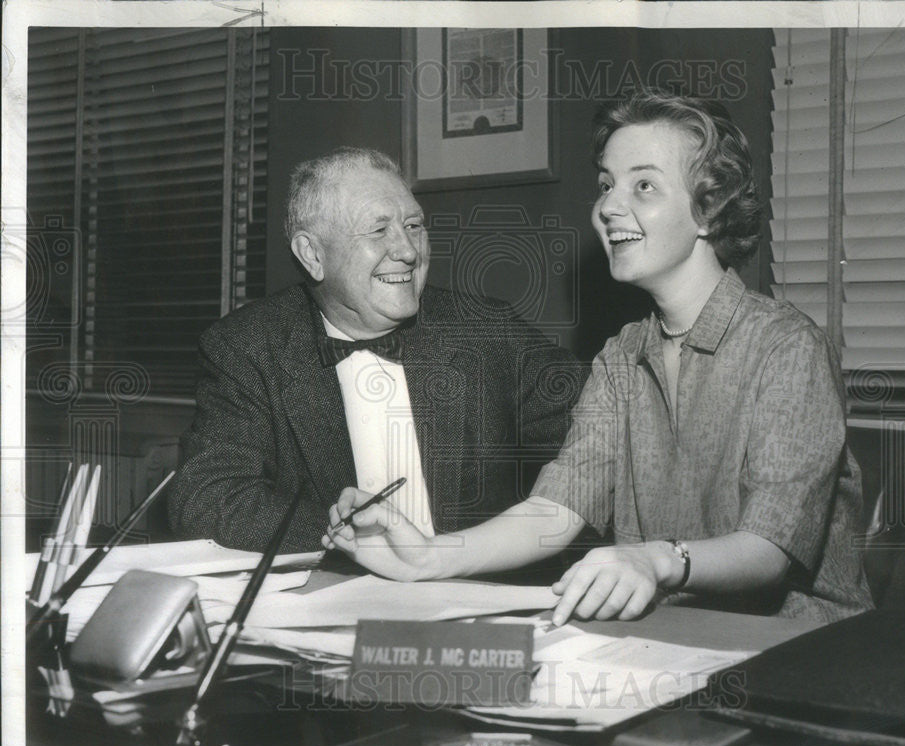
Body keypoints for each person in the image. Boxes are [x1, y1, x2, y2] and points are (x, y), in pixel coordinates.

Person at [324, 91, 874, 625]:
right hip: (668, 640)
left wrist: (656, 559)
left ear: (709, 209)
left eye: (644, 186)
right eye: (607, 185)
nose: (610, 207)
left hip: (799, 652)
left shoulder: (787, 347)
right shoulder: (622, 356)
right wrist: (429, 556)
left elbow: (767, 550)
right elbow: (557, 510)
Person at [169, 147, 585, 554]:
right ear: (313, 255)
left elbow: (599, 435)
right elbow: (208, 498)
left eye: (414, 226)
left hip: (476, 594)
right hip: (333, 599)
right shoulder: (248, 348)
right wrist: (355, 535)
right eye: (378, 230)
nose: (407, 251)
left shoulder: (486, 328)